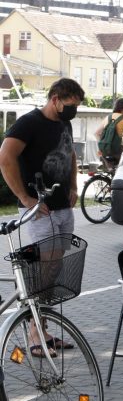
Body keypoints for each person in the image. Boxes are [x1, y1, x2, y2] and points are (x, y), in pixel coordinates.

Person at [0, 78, 85, 355]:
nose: (72, 111)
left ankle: (43, 327)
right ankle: (35, 334)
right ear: (55, 99)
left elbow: (70, 153)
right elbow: (6, 157)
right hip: (39, 210)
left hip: (62, 208)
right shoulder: (29, 123)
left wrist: (74, 186)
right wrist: (25, 197)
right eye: (70, 105)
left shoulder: (65, 123)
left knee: (54, 270)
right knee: (41, 270)